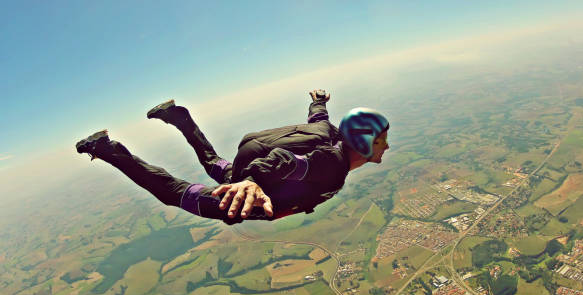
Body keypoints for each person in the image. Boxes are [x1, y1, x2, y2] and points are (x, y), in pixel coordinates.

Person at [75, 90, 389, 225]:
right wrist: (251, 183)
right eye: (381, 141)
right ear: (363, 142)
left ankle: (181, 117)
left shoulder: (329, 134)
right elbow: (284, 161)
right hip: (244, 196)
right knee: (173, 192)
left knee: (213, 164)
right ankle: (106, 149)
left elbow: (317, 119)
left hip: (246, 178)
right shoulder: (333, 166)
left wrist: (319, 101)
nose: (386, 147)